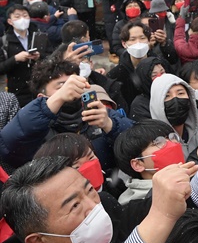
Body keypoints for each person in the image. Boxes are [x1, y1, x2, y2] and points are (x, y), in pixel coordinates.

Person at [0, 155, 198, 243]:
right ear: (39, 241)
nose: (94, 206)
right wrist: (162, 216)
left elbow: (157, 208)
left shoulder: (110, 208)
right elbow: (159, 214)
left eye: (89, 190)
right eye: (75, 206)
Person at [0, 59, 133, 171]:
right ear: (42, 97)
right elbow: (9, 148)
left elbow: (135, 142)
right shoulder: (34, 126)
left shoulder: (98, 112)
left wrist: (110, 125)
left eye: (75, 83)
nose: (71, 89)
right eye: (61, 86)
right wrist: (53, 103)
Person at [0, 4, 42, 106]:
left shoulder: (38, 36)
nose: (22, 19)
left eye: (25, 15)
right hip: (15, 90)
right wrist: (15, 59)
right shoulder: (4, 41)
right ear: (10, 21)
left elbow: (50, 58)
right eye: (17, 17)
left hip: (38, 87)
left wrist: (39, 57)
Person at [130, 57, 171, 121]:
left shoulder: (174, 93)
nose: (160, 77)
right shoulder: (140, 105)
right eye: (154, 75)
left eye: (162, 73)